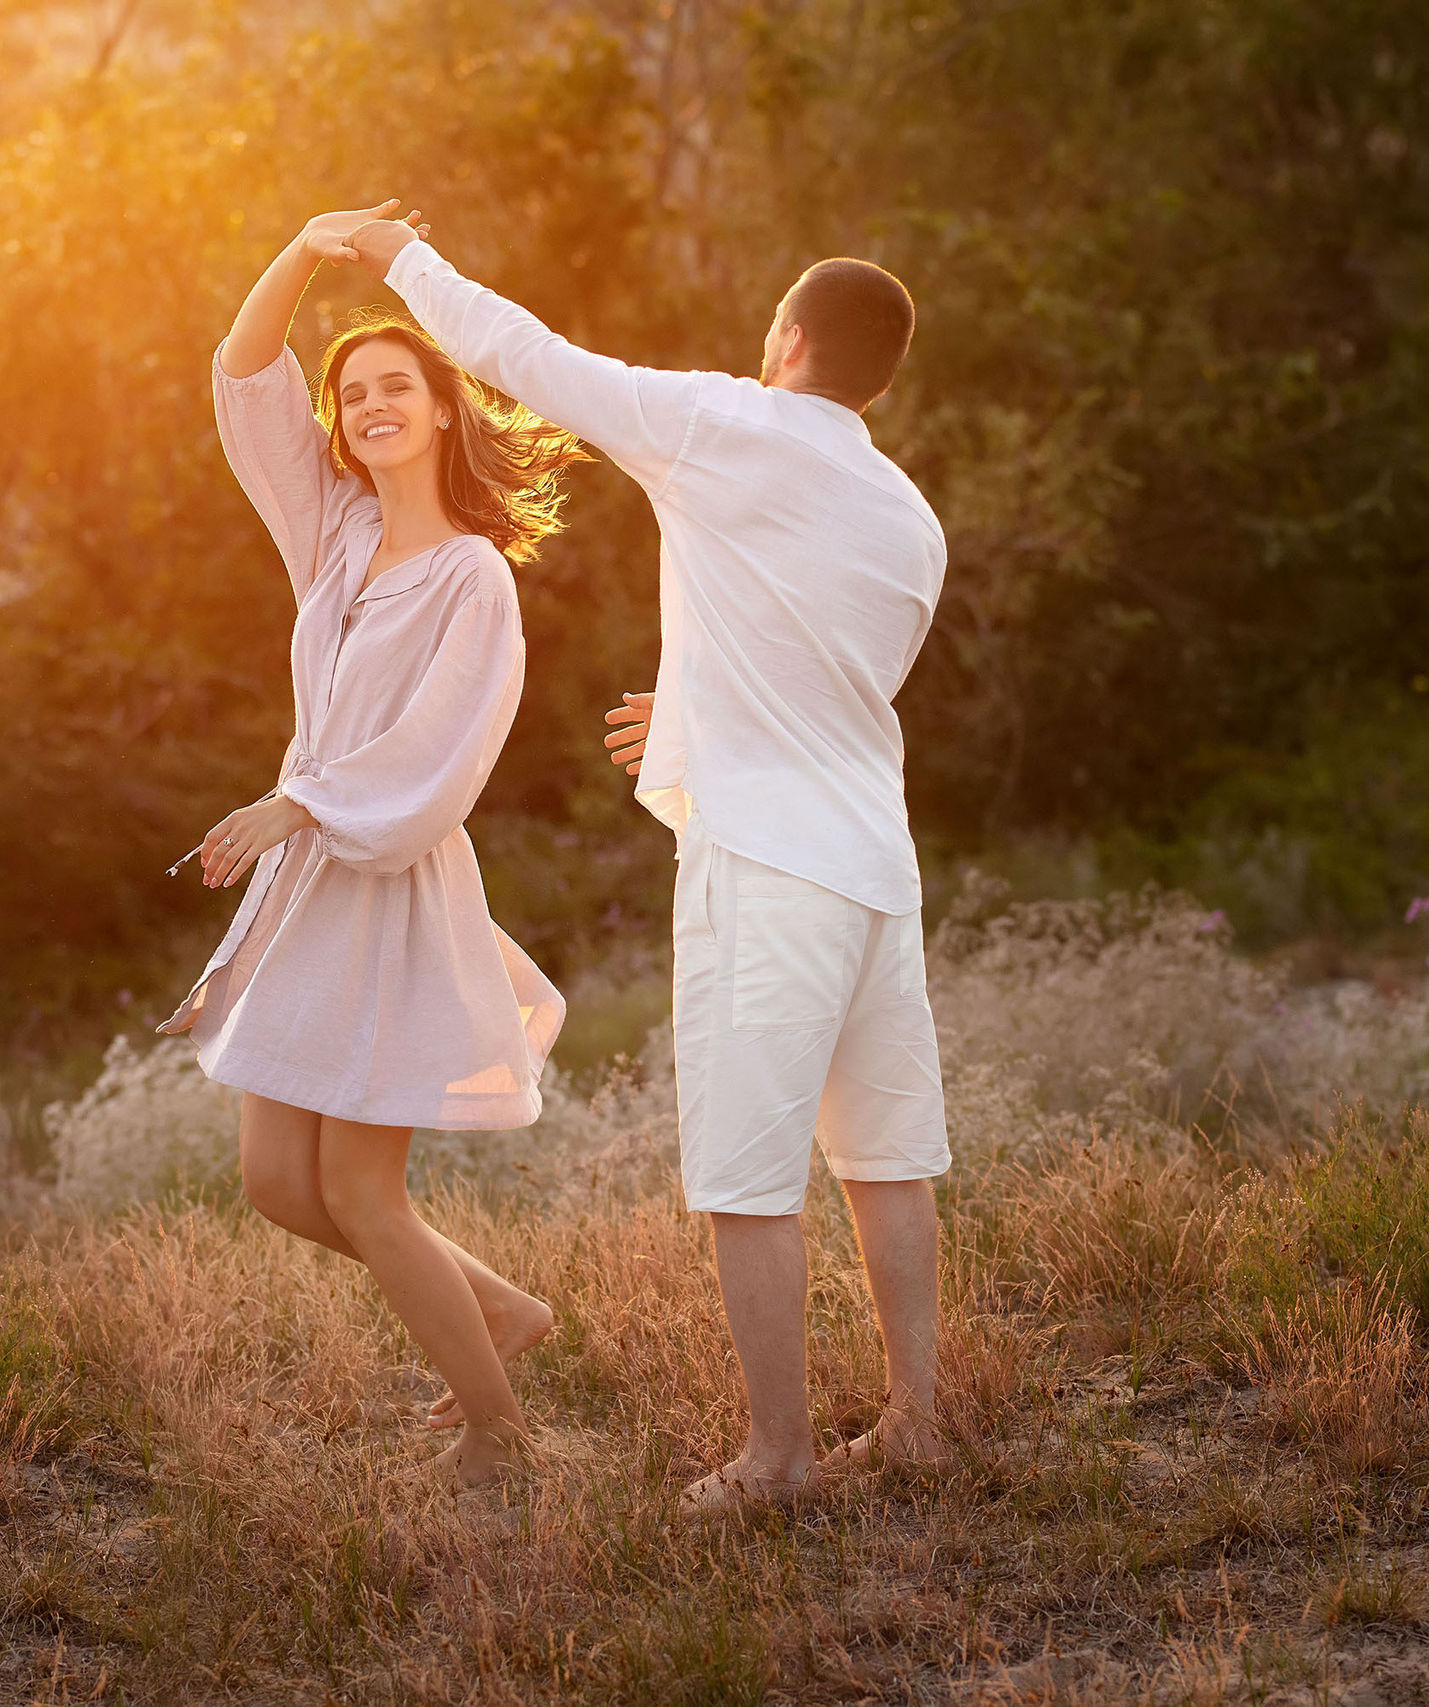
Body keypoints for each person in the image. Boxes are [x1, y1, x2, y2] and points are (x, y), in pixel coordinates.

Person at [342, 216, 952, 1510]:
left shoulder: (726, 424)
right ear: (880, 376)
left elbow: (525, 356)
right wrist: (687, 719)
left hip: (769, 869)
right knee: (887, 1157)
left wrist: (401, 259)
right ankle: (918, 1420)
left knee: (746, 1178)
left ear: (789, 338)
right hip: (876, 870)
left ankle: (777, 1459)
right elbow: (834, 680)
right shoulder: (907, 515)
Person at [156, 201, 588, 1488]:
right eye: (352, 395)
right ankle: (500, 1311)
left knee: (359, 1189)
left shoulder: (473, 577)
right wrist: (303, 248)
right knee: (277, 1184)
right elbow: (245, 376)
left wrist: (295, 805)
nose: (370, 405)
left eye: (396, 385)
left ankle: (500, 1436)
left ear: (444, 410)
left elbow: (441, 752)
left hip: (387, 876)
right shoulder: (334, 536)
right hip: (311, 888)